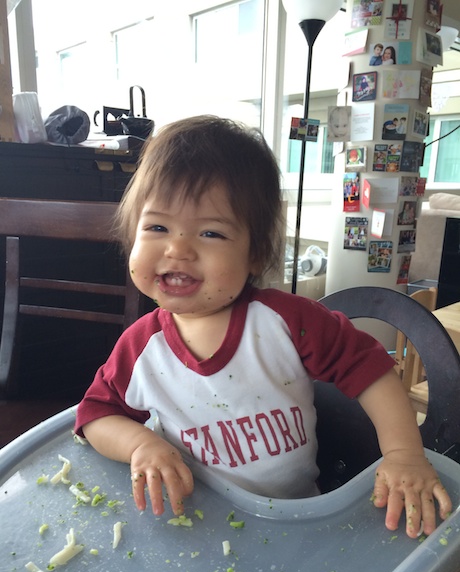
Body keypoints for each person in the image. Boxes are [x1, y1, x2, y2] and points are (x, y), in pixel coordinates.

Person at [74, 115, 451, 539]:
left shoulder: (287, 321)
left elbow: (372, 371)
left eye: (211, 233)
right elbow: (95, 416)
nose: (178, 248)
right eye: (157, 227)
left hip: (299, 519)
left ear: (255, 255)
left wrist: (403, 453)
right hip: (197, 519)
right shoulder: (141, 348)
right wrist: (141, 444)